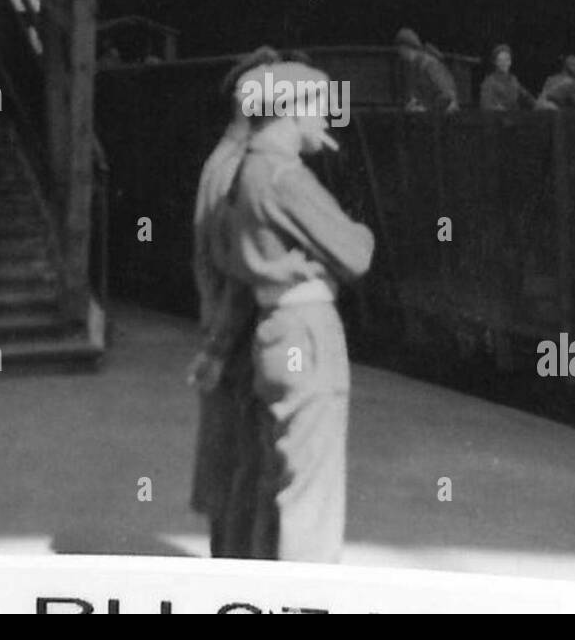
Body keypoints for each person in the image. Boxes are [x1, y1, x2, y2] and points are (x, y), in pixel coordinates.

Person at [226, 60, 375, 562]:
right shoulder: (286, 176)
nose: (328, 119)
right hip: (307, 336)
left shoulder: (248, 168)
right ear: (291, 109)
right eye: (321, 107)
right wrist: (352, 231)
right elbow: (357, 253)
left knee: (280, 483)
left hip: (275, 331)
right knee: (311, 497)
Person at [187, 45, 280, 558]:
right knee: (244, 470)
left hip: (229, 331)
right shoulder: (239, 168)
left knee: (233, 468)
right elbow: (237, 268)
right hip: (240, 336)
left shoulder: (222, 161)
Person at [395, 28, 459, 113]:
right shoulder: (412, 67)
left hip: (443, 116)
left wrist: (425, 108)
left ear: (406, 47)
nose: (400, 53)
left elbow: (447, 96)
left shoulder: (430, 65)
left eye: (400, 49)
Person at [479, 43, 536, 112]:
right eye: (500, 60)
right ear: (495, 62)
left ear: (510, 62)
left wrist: (539, 104)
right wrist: (500, 109)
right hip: (498, 119)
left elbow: (527, 97)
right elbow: (486, 105)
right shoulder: (489, 82)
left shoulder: (513, 80)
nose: (504, 63)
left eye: (507, 60)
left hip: (515, 118)